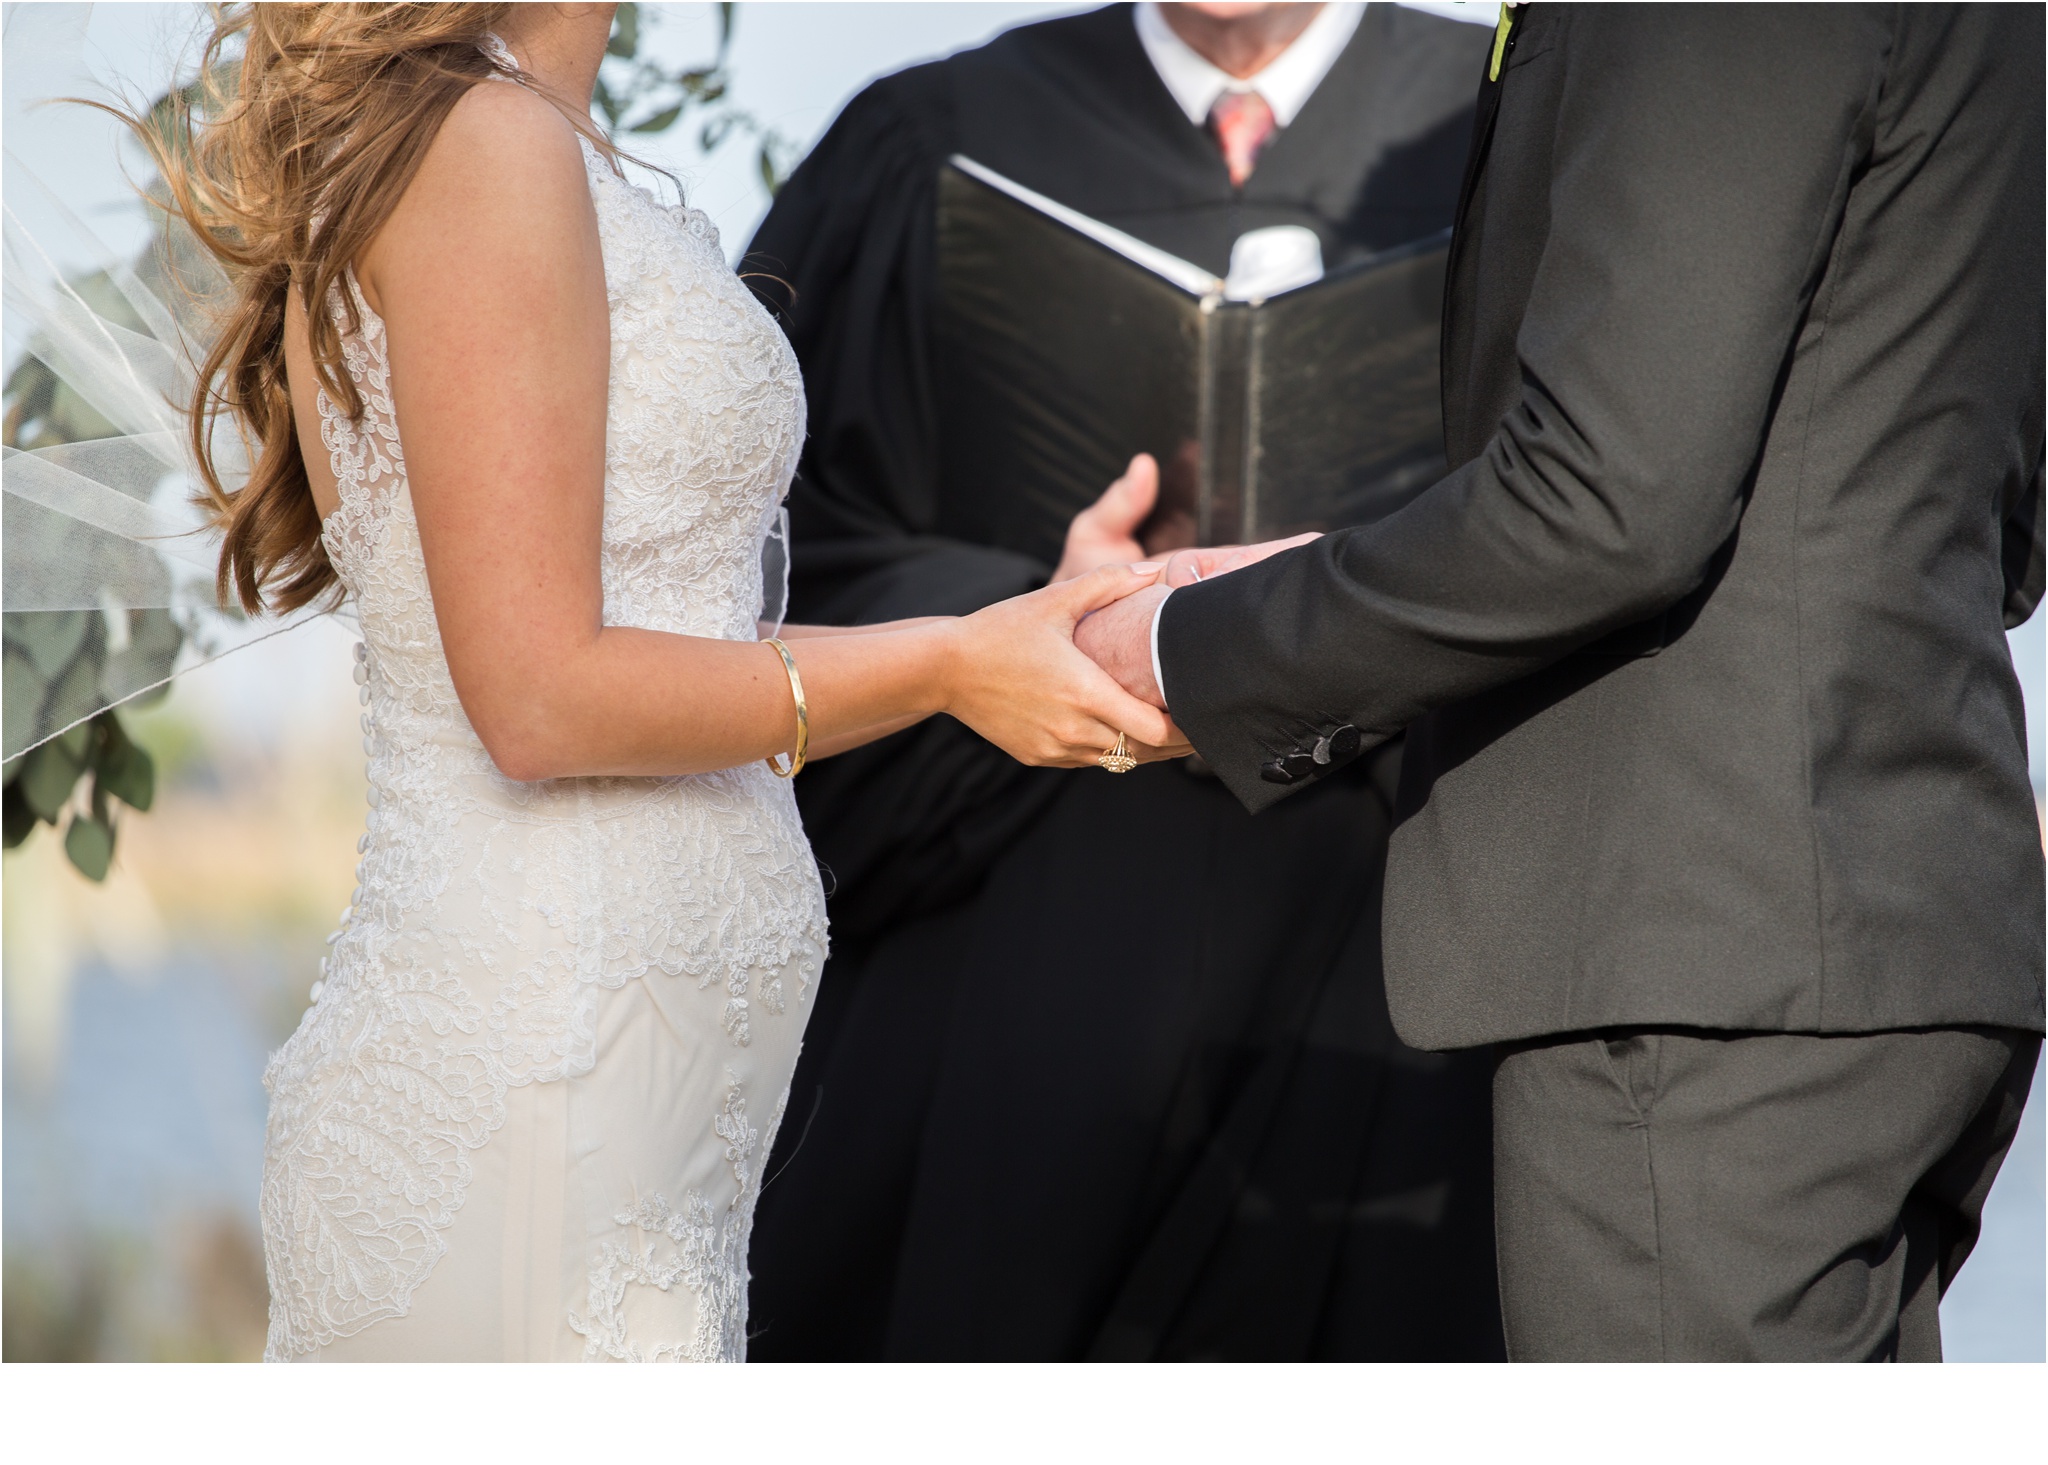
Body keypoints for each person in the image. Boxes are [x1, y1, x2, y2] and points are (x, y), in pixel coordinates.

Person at [137, 2, 1192, 1363]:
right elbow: (538, 698)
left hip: (627, 1119)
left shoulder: (535, 146)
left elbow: (679, 635)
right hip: (532, 1089)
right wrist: (945, 666)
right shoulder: (483, 144)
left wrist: (1014, 626)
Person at [1078, 3, 2047, 1360]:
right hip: (1898, 936)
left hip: (1701, 956)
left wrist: (1197, 653)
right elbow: (1993, 518)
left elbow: (1611, 504)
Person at [744, 2, 1503, 1360]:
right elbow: (756, 573)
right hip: (1014, 1044)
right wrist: (1049, 610)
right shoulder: (932, 142)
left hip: (1398, 1048)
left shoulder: (1514, 130)